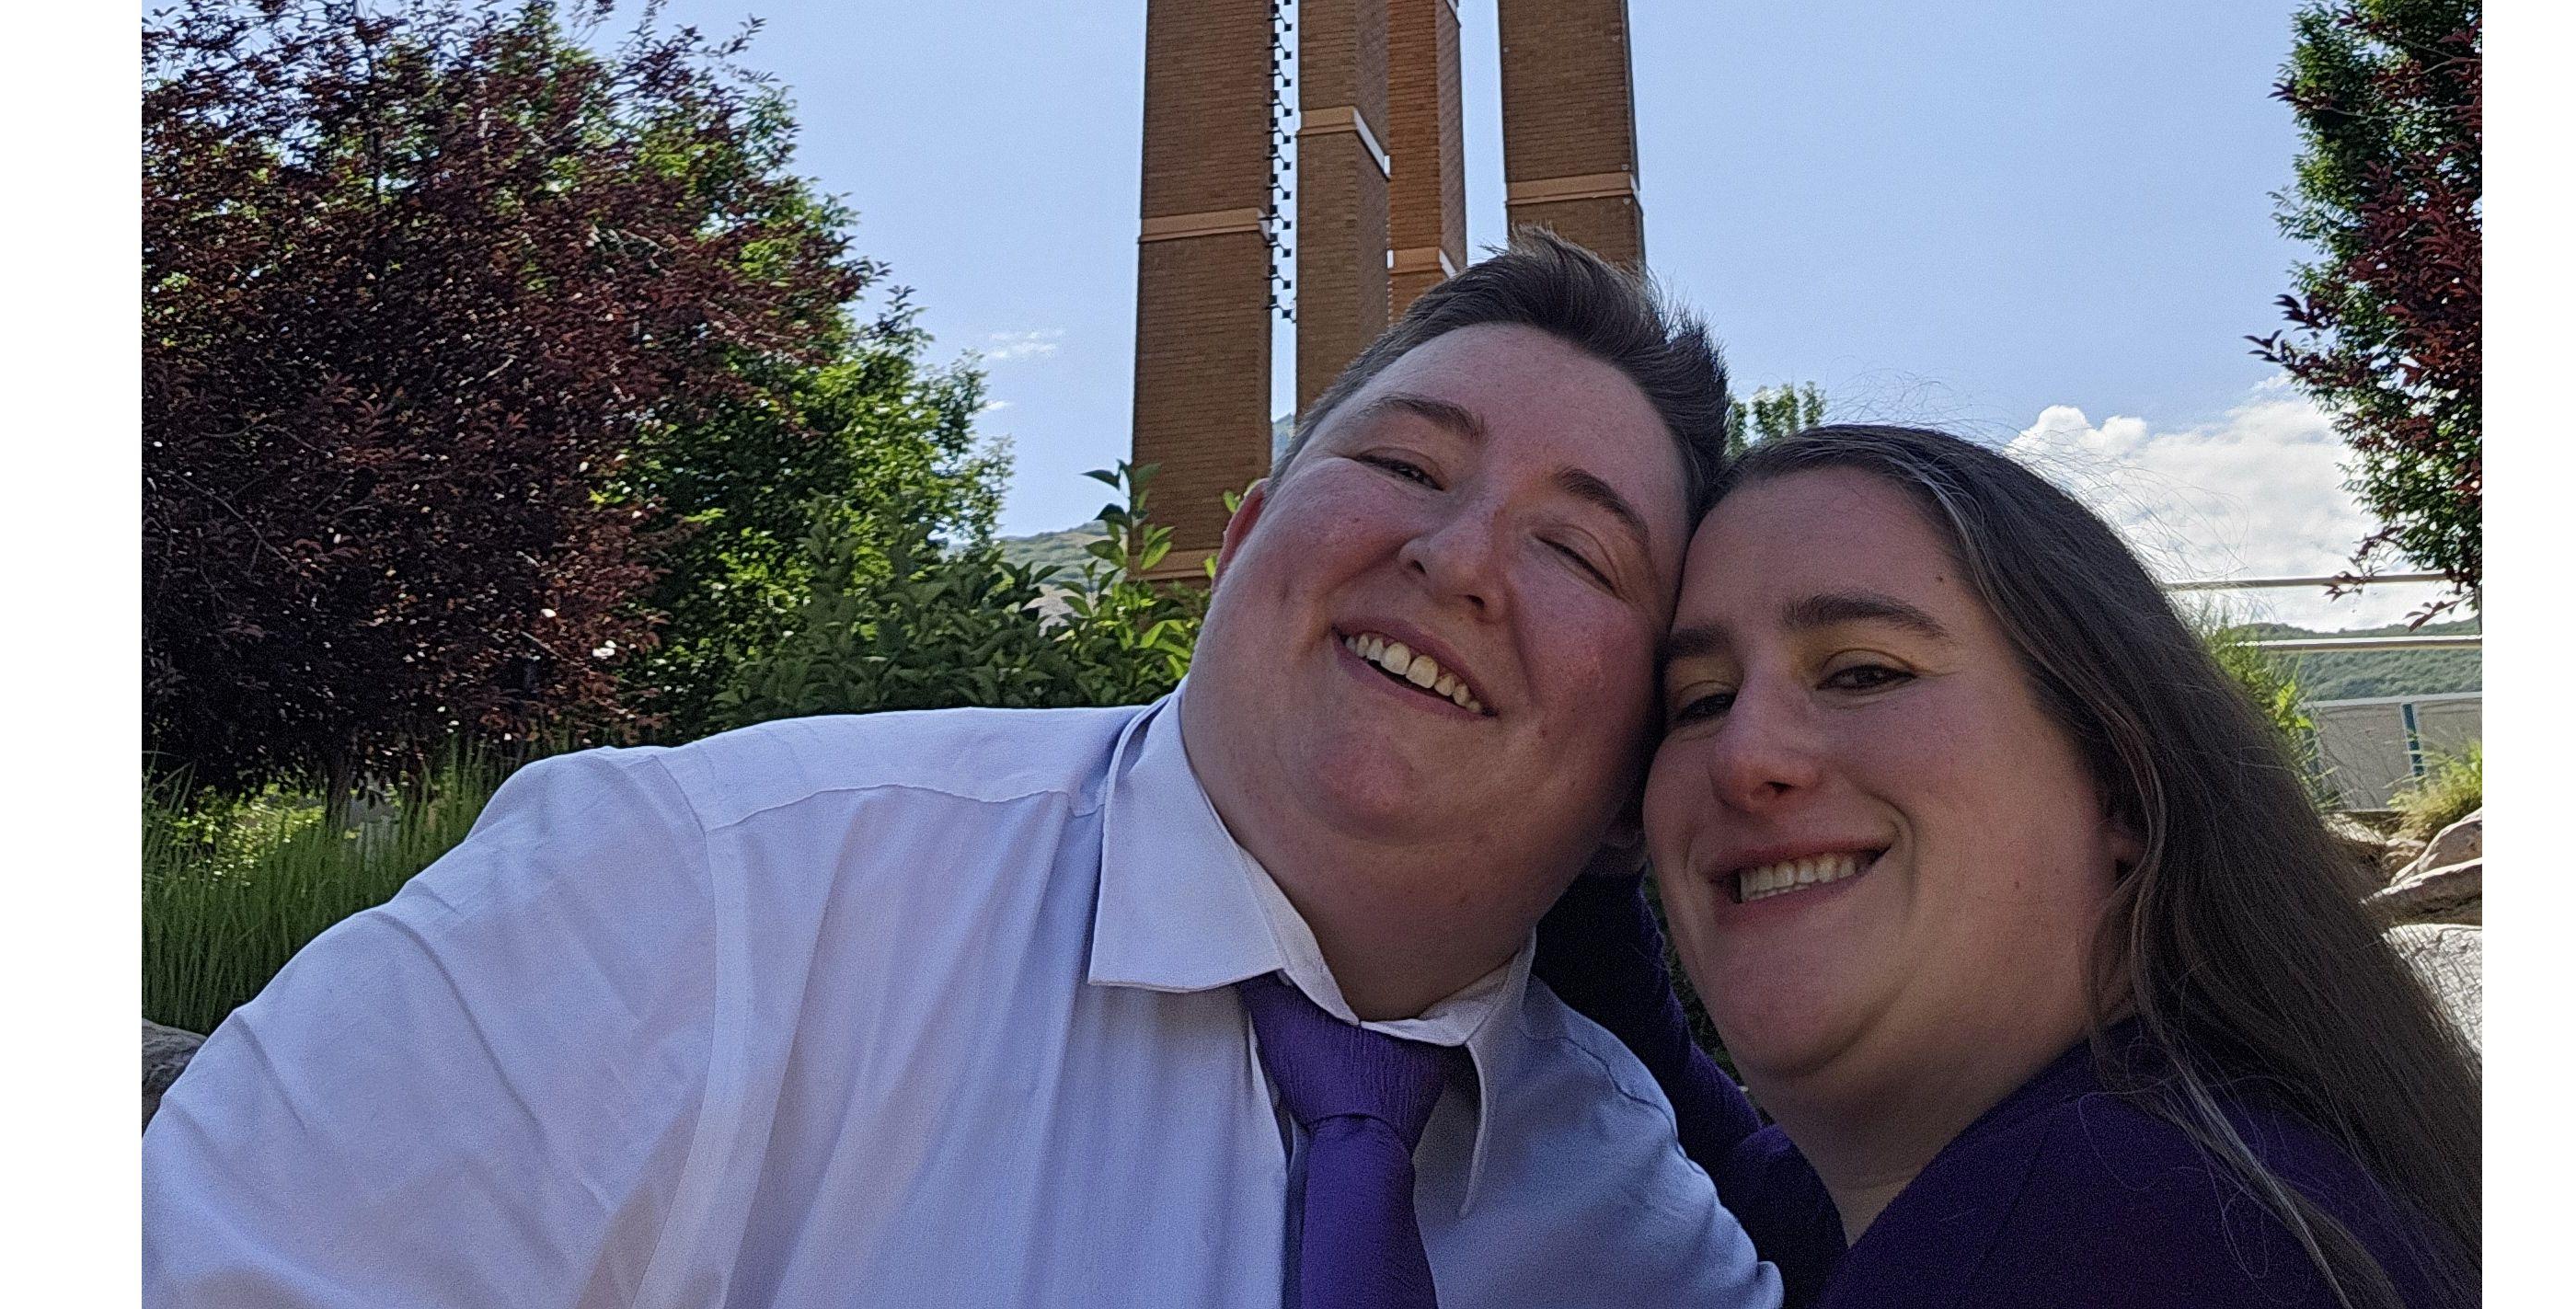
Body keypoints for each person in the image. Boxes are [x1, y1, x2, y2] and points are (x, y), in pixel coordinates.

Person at [145, 233, 1782, 1309]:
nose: (1458, 556)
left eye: (1578, 549)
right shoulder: (698, 901)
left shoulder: (1642, 1231)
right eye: (1404, 464)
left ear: (1644, 760)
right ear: (1236, 546)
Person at [1535, 423, 2479, 1308]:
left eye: (1863, 672)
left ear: (2118, 782)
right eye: (1700, 701)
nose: (1744, 757)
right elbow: (1689, 1144)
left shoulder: (2117, 1239)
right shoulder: (2210, 1164)